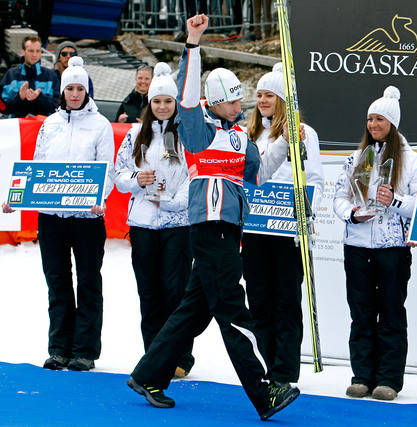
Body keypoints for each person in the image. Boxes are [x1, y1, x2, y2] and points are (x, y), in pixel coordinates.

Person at [125, 14, 300, 421]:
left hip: (229, 229)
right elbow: (187, 96)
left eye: (243, 100)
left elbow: (258, 174)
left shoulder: (241, 137)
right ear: (215, 102)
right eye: (235, 101)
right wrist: (193, 43)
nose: (242, 107)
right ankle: (264, 391)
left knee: (195, 307)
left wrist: (285, 142)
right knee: (234, 311)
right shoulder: (198, 130)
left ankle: (148, 374)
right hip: (208, 226)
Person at [2, 56, 115, 371]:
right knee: (58, 282)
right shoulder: (50, 123)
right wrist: (18, 196)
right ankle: (59, 348)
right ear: (63, 91)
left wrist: (100, 198)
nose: (75, 94)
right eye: (70, 88)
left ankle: (84, 350)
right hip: (51, 218)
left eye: (80, 88)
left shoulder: (100, 125)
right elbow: (38, 167)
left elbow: (107, 170)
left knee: (89, 282)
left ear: (87, 91)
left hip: (86, 219)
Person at [333, 86, 417, 401]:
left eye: (380, 119)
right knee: (361, 313)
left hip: (393, 250)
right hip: (358, 247)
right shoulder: (357, 158)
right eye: (370, 119)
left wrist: (396, 201)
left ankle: (388, 378)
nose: (374, 124)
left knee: (390, 312)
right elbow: (338, 197)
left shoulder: (412, 161)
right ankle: (362, 375)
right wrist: (352, 214)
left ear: (393, 122)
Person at [242, 62, 324, 388]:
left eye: (270, 95)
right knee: (259, 300)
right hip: (255, 233)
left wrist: (306, 217)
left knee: (286, 301)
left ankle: (284, 372)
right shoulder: (247, 134)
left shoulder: (303, 132)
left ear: (283, 100)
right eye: (260, 94)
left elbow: (314, 180)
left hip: (287, 232)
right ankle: (264, 365)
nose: (263, 100)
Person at [115, 62, 195, 379]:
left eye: (168, 101)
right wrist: (138, 178)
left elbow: (195, 176)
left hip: (178, 225)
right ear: (149, 103)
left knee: (175, 293)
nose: (162, 106)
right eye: (157, 101)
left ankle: (180, 356)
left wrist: (173, 203)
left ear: (176, 104)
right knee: (148, 293)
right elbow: (119, 176)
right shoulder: (135, 134)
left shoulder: (187, 135)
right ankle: (153, 354)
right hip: (143, 225)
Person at [0, 35, 60, 118]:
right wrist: (19, 97)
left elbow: (58, 107)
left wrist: (40, 97)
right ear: (23, 52)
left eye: (38, 51)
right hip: (18, 128)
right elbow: (3, 108)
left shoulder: (50, 76)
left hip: (43, 127)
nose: (34, 55)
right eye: (31, 51)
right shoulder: (11, 75)